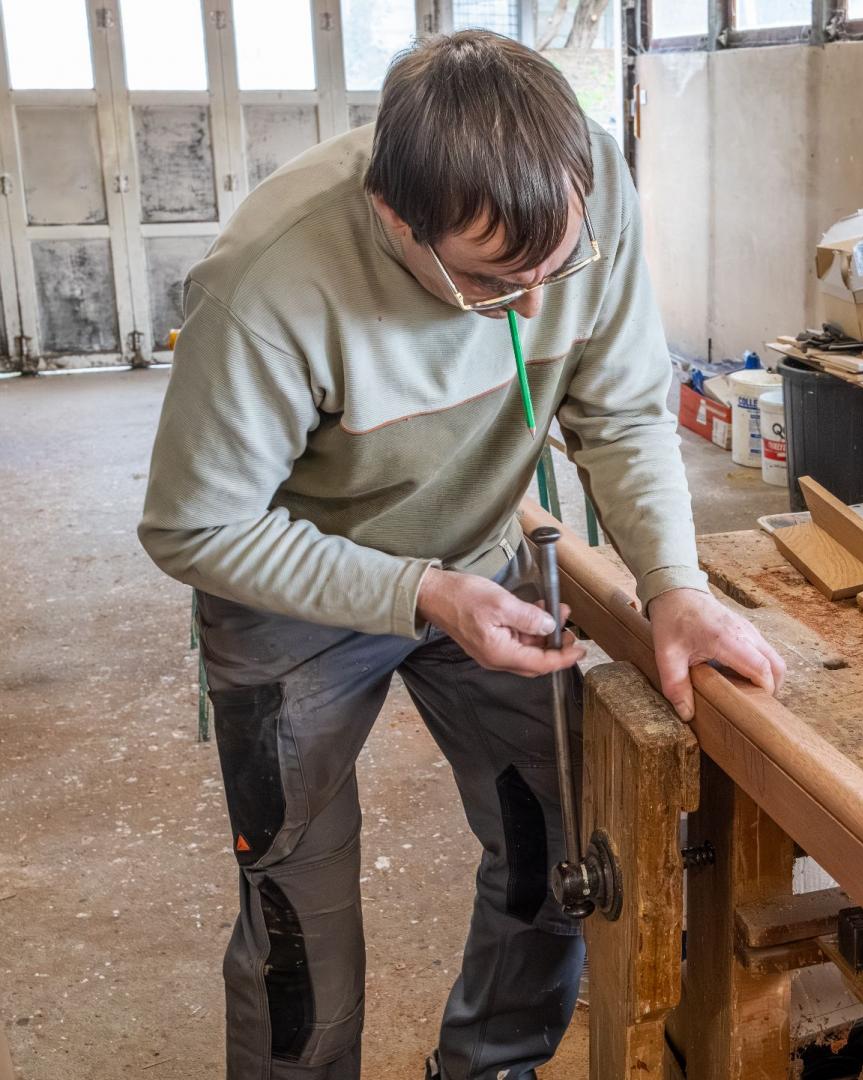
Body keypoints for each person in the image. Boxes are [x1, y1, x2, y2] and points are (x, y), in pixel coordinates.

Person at [138, 30, 784, 1080]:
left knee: (556, 854)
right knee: (303, 926)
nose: (533, 309)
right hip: (292, 584)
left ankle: (488, 1068)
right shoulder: (268, 285)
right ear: (396, 220)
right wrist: (414, 594)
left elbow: (619, 415)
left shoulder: (588, 187)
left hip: (483, 561)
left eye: (555, 267)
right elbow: (195, 527)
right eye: (491, 281)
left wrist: (674, 585)